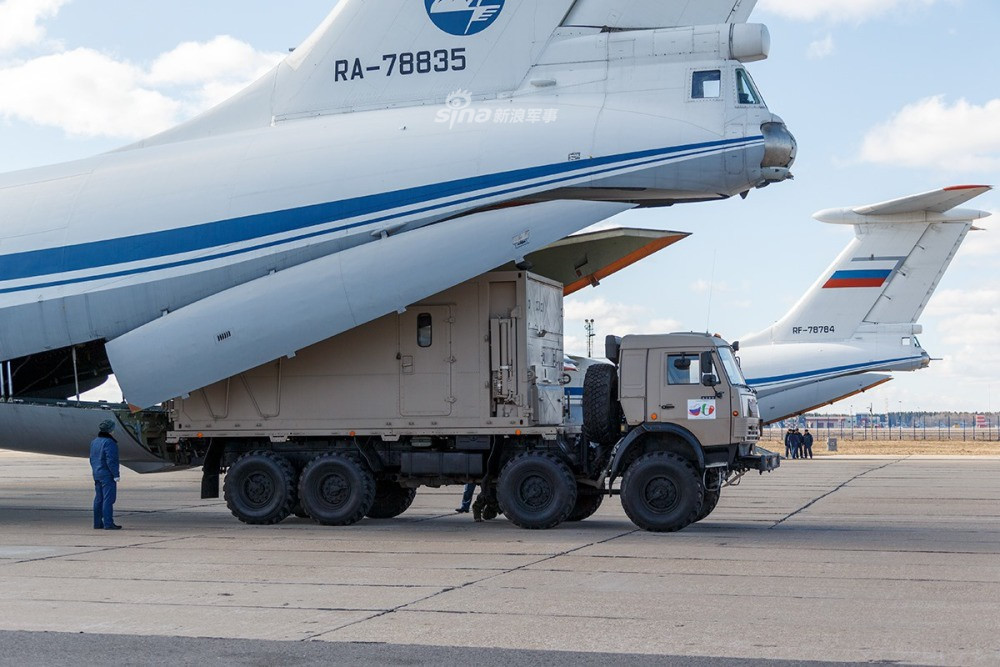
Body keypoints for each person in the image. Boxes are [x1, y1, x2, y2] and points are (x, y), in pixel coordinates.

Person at [90, 418, 122, 530]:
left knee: (99, 499)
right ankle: (108, 523)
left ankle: (97, 523)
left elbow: (92, 458)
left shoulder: (94, 442)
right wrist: (116, 474)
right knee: (109, 499)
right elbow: (111, 460)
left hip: (97, 473)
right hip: (107, 474)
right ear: (110, 430)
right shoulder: (110, 443)